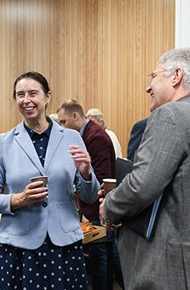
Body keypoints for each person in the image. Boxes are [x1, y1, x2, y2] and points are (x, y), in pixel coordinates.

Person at [99, 47, 190, 289]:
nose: (148, 87)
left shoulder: (170, 115)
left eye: (154, 76)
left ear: (176, 76)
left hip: (169, 270)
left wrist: (109, 205)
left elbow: (141, 186)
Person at [0, 71, 100, 289]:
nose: (26, 100)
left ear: (47, 97)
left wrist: (86, 173)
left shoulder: (72, 138)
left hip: (64, 245)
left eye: (33, 93)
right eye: (20, 95)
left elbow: (90, 196)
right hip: (19, 248)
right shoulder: (3, 143)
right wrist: (18, 200)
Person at [57, 100, 124, 290]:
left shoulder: (95, 137)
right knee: (105, 258)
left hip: (99, 207)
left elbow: (103, 178)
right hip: (95, 206)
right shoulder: (86, 134)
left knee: (102, 258)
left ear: (75, 116)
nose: (61, 127)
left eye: (63, 122)